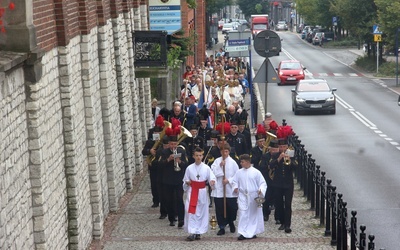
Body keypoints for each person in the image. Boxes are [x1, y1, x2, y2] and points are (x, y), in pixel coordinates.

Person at [183, 147, 216, 241]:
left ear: (202, 156)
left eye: (200, 155)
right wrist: (187, 182)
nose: (198, 157)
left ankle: (199, 232)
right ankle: (192, 232)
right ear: (193, 156)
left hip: (202, 192)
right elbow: (185, 179)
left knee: (201, 212)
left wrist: (212, 182)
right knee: (190, 210)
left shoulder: (206, 168)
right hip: (192, 191)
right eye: (196, 155)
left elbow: (211, 178)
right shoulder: (189, 168)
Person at [232, 154, 267, 240]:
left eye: (242, 162)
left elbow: (263, 183)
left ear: (248, 162)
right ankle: (242, 232)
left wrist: (261, 190)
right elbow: (234, 181)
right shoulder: (239, 172)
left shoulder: (256, 172)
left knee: (253, 214)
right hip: (243, 196)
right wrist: (235, 187)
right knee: (243, 213)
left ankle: (252, 232)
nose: (241, 163)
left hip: (253, 196)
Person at [160, 127, 188, 228]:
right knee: (169, 200)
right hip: (167, 180)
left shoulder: (182, 151)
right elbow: (160, 165)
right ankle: (172, 219)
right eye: (171, 144)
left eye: (175, 144)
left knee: (179, 199)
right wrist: (168, 159)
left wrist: (179, 161)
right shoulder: (164, 152)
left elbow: (186, 164)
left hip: (178, 179)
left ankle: (181, 219)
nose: (173, 146)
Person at [211, 143, 239, 236]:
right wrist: (220, 166)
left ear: (229, 152)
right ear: (220, 152)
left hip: (229, 189)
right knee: (220, 208)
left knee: (232, 208)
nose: (225, 153)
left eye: (226, 151)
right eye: (223, 151)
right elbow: (212, 172)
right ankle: (222, 226)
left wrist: (229, 180)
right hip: (219, 189)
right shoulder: (216, 161)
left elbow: (237, 175)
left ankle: (231, 221)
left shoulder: (233, 162)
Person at [269, 137, 296, 233]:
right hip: (277, 183)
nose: (282, 148)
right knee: (279, 204)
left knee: (288, 204)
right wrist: (279, 159)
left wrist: (289, 162)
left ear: (287, 146)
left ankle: (288, 225)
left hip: (288, 184)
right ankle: (282, 222)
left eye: (284, 146)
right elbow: (271, 165)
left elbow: (296, 167)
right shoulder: (275, 155)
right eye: (280, 146)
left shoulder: (291, 154)